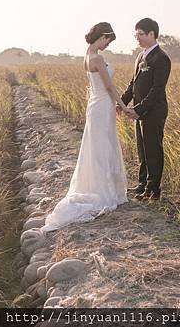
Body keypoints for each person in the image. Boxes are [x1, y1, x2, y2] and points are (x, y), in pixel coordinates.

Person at [40, 22, 131, 233]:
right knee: (102, 147)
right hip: (102, 105)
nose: (108, 44)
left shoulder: (87, 55)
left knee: (98, 146)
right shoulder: (97, 58)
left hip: (97, 105)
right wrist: (123, 106)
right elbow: (109, 86)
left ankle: (104, 187)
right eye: (108, 40)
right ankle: (104, 191)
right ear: (103, 36)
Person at [120, 18, 171, 200]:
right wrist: (122, 103)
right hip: (140, 112)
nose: (138, 38)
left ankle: (153, 189)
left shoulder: (162, 58)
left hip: (154, 112)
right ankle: (143, 184)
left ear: (152, 34)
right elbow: (133, 83)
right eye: (136, 35)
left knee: (153, 150)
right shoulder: (140, 56)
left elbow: (157, 90)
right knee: (142, 150)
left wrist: (138, 109)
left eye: (141, 34)